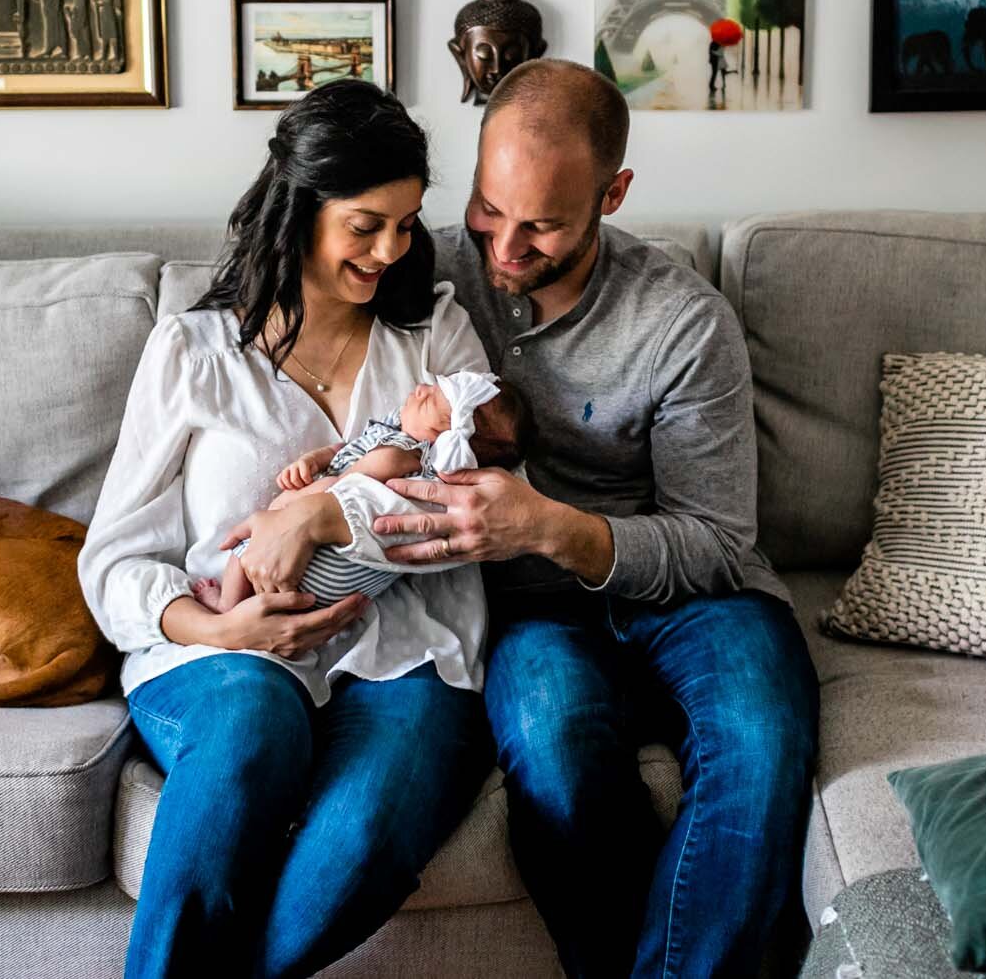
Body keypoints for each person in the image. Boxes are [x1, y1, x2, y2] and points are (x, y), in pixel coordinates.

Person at [373, 59, 822, 978]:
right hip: (537, 614)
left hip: (702, 596)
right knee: (556, 752)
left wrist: (546, 527)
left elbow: (716, 540)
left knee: (763, 747)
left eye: (541, 224)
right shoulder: (426, 284)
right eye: (490, 209)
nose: (503, 247)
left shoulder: (683, 321)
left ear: (613, 193)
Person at [77, 80, 496, 979]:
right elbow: (114, 558)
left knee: (368, 831)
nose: (392, 248)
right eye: (366, 223)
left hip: (406, 651)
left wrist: (322, 508)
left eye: (408, 222)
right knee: (252, 719)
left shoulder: (436, 340)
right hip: (215, 654)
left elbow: (466, 509)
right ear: (301, 208)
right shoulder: (192, 352)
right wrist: (220, 628)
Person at [198, 374, 531, 614]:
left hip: (320, 570)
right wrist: (315, 459)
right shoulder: (392, 435)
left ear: (444, 434)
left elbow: (340, 487)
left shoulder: (398, 456)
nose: (420, 389)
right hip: (333, 591)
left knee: (243, 551)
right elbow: (345, 451)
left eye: (430, 397)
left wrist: (289, 506)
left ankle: (226, 606)